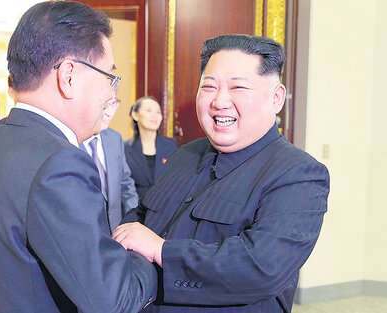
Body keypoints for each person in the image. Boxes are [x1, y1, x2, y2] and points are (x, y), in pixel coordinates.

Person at [113, 34, 330, 312]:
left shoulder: (299, 174)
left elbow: (260, 267)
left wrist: (161, 250)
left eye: (238, 87)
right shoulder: (184, 155)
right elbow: (141, 218)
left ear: (276, 99)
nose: (219, 101)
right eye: (209, 86)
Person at [0, 2, 156, 313]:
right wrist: (145, 253)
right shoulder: (60, 162)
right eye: (110, 76)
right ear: (68, 76)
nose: (111, 93)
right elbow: (113, 299)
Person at [81, 98, 139, 232]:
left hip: (114, 229)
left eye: (114, 104)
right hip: (84, 231)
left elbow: (125, 183)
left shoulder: (114, 138)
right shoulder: (69, 139)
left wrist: (135, 220)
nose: (110, 113)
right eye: (106, 105)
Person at [124, 96, 177, 198]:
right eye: (149, 110)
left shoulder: (171, 145)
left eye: (158, 112)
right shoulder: (124, 149)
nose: (155, 116)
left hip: (165, 208)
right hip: (135, 209)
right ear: (135, 115)